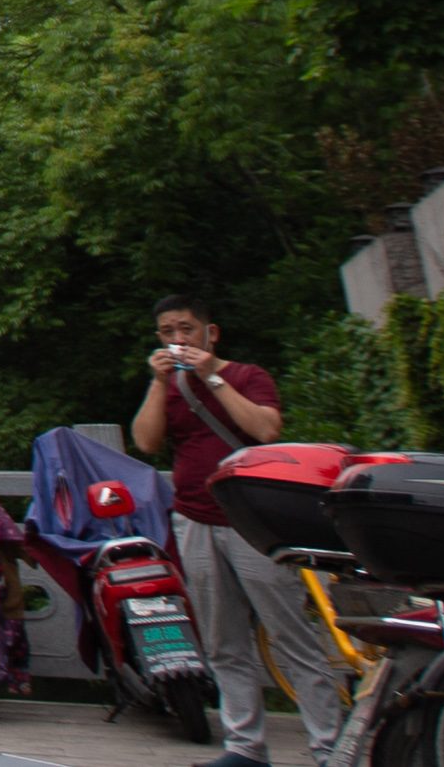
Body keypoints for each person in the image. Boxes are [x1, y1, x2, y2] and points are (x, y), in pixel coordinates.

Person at [133, 295, 348, 767]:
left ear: (211, 332)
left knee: (291, 635)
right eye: (168, 331)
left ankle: (331, 747)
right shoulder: (169, 386)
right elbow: (147, 441)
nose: (178, 340)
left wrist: (211, 375)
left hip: (255, 524)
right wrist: (158, 381)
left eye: (187, 329)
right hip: (194, 518)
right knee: (222, 642)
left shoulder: (247, 376)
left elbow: (267, 430)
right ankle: (245, 748)